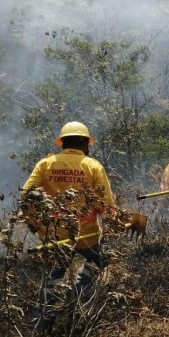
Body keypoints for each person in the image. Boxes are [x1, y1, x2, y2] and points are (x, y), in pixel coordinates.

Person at [19, 121, 115, 293]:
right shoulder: (92, 166)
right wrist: (113, 227)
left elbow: (27, 195)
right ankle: (78, 298)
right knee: (95, 266)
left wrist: (33, 221)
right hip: (87, 236)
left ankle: (49, 308)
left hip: (53, 235)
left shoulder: (45, 164)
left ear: (62, 143)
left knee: (54, 276)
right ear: (86, 143)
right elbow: (105, 204)